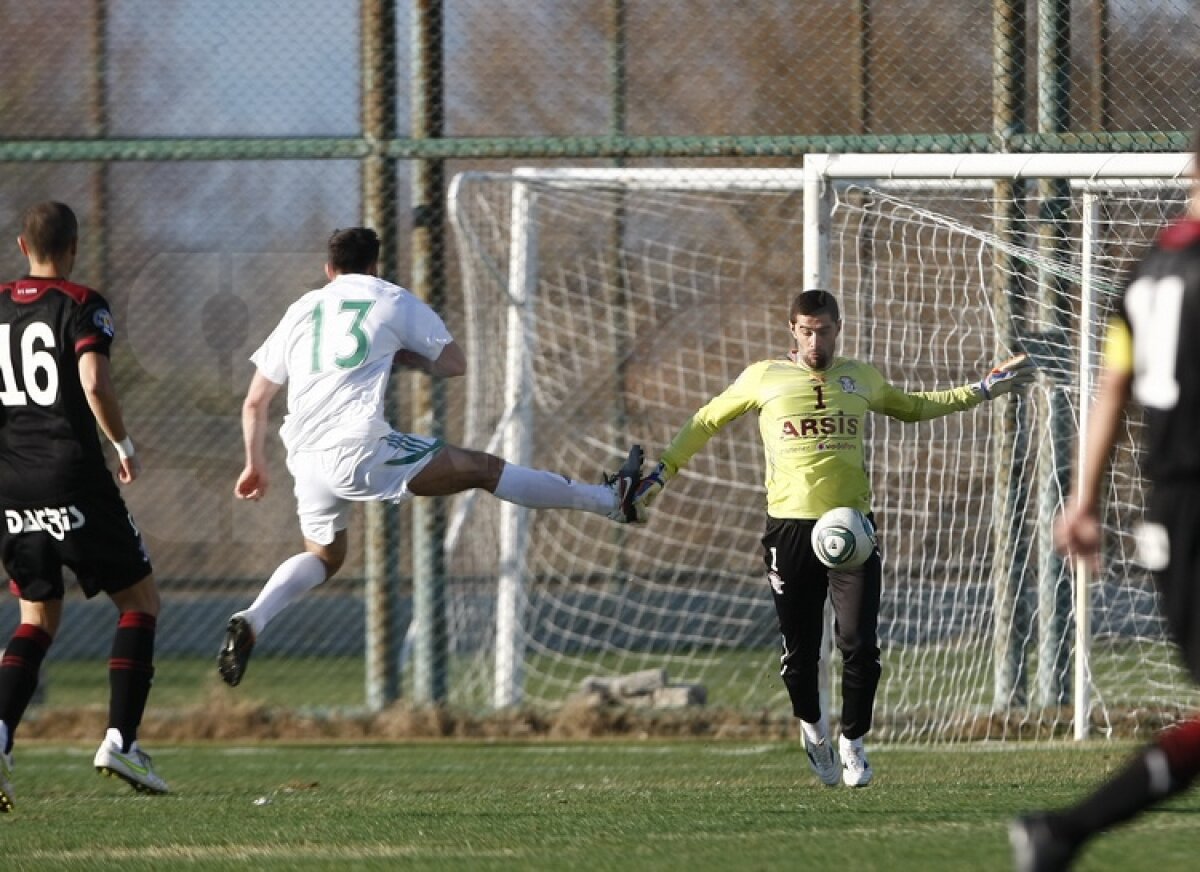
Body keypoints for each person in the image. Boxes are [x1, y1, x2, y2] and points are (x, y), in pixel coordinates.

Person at [632, 289, 1034, 787]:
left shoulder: (859, 377)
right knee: (800, 656)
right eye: (805, 331)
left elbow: (912, 406)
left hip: (853, 527)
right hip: (789, 529)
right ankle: (814, 730)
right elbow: (707, 419)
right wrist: (664, 470)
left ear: (837, 328)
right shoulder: (764, 378)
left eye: (823, 330)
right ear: (792, 331)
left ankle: (854, 741)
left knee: (859, 644)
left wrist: (981, 389)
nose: (814, 341)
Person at [217, 226, 644, 686]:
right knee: (484, 469)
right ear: (375, 265)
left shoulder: (300, 309)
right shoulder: (391, 299)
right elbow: (453, 364)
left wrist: (253, 463)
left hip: (303, 457)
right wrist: (408, 358)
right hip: (359, 446)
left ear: (328, 270)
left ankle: (254, 617)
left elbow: (255, 402)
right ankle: (608, 501)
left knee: (323, 556)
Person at [1010, 140, 1200, 871]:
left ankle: (1064, 833)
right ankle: (1065, 830)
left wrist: (1083, 499)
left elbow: (1112, 389)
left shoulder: (1145, 271)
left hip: (1168, 510)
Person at [0, 202, 168, 813]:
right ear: (72, 246)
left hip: (13, 486)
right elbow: (94, 382)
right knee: (140, 601)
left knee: (35, 618)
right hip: (74, 477)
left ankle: (0, 736)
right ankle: (121, 741)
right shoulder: (80, 301)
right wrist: (122, 444)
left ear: (23, 245)